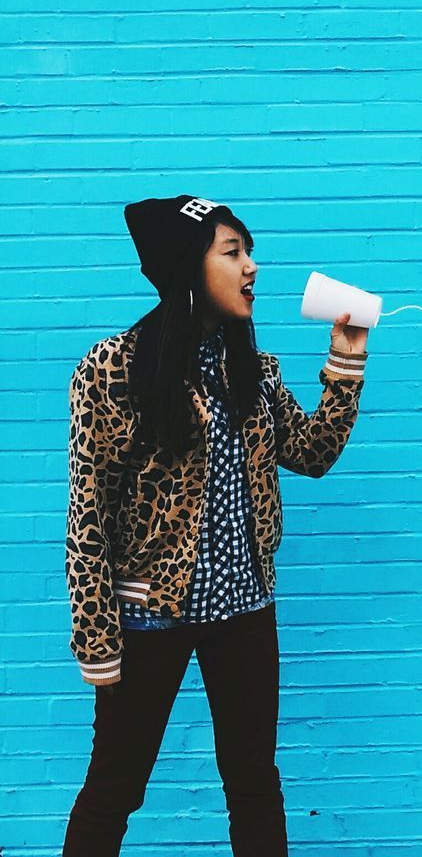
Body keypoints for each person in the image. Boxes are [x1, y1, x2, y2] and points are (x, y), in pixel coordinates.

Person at [62, 195, 370, 857]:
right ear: (187, 268)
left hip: (244, 611)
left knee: (255, 784)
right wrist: (95, 641)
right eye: (232, 252)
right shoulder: (112, 370)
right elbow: (88, 517)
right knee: (115, 788)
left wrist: (344, 365)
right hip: (147, 618)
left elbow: (311, 453)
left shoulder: (252, 373)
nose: (252, 267)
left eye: (248, 251)